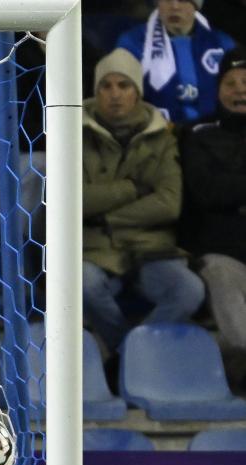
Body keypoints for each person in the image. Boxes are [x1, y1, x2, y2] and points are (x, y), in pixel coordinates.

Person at [82, 49, 204, 353]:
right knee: (82, 284)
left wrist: (108, 216)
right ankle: (133, 356)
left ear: (137, 92)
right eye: (105, 86)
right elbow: (73, 201)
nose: (114, 94)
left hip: (150, 248)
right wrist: (131, 189)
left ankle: (129, 357)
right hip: (95, 249)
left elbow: (168, 202)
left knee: (189, 290)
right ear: (95, 91)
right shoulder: (73, 134)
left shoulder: (162, 137)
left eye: (123, 86)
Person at [182, 49, 246, 383]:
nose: (240, 90)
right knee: (221, 272)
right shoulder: (197, 133)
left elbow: (223, 187)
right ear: (218, 89)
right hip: (222, 251)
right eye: (231, 83)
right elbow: (206, 191)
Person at [115, 0, 238, 124]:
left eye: (182, 0)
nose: (174, 6)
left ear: (195, 6)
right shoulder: (132, 43)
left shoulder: (222, 43)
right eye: (167, 0)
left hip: (212, 133)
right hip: (154, 133)